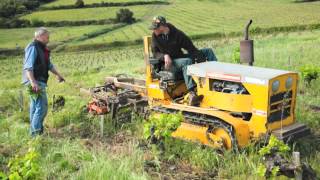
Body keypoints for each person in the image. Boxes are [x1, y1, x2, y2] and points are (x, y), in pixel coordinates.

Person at [149, 16, 218, 106]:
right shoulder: (155, 36)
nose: (154, 30)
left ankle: (216, 79)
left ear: (162, 26)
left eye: (155, 28)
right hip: (168, 64)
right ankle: (192, 93)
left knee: (208, 51)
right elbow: (155, 53)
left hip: (179, 58)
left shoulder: (176, 33)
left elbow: (190, 47)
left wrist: (200, 58)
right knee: (187, 61)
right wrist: (164, 56)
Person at [22, 27, 65, 137]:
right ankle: (36, 134)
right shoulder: (33, 47)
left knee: (35, 106)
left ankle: (34, 132)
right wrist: (33, 82)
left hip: (37, 81)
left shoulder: (42, 49)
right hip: (35, 82)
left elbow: (49, 65)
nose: (48, 39)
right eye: (47, 36)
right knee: (42, 107)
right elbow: (28, 67)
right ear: (39, 36)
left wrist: (58, 74)